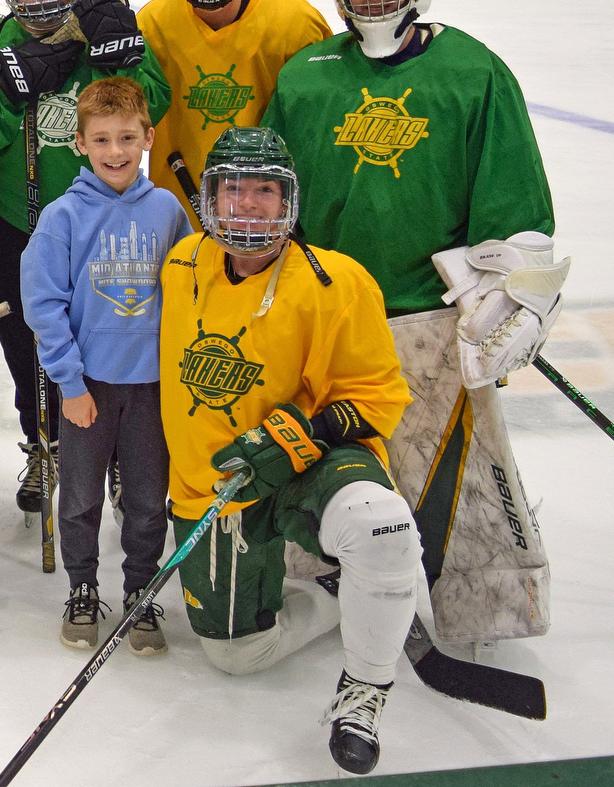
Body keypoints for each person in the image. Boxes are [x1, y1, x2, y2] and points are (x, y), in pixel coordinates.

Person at [263, 0, 562, 649]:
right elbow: (272, 198)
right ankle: (319, 588)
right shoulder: (305, 77)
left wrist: (512, 296)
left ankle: (483, 609)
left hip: (429, 320)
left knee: (462, 475)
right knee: (323, 465)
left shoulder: (473, 71)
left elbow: (515, 202)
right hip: (329, 315)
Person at [160, 126, 418, 775]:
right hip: (213, 488)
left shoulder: (337, 282)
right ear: (210, 196)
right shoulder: (182, 262)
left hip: (310, 463)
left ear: (289, 201)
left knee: (381, 527)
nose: (249, 205)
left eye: (266, 191)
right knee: (235, 656)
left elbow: (378, 394)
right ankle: (337, 595)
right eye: (234, 189)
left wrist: (304, 434)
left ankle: (366, 686)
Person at [0, 0, 168, 522]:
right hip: (13, 221)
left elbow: (157, 107)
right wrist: (8, 92)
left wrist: (120, 58)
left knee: (115, 336)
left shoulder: (108, 24)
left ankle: (122, 452)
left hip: (107, 223)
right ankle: (43, 442)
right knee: (26, 339)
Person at [23, 77, 189, 651]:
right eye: (101, 139)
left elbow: (190, 294)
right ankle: (82, 588)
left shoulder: (168, 210)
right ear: (80, 144)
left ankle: (142, 591)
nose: (115, 152)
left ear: (148, 136)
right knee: (81, 498)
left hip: (152, 388)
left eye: (126, 137)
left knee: (147, 502)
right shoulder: (63, 217)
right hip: (87, 388)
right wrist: (69, 382)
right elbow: (44, 306)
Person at [138, 0, 330, 229]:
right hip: (174, 219)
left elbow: (319, 127)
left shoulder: (295, 25)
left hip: (264, 217)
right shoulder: (153, 23)